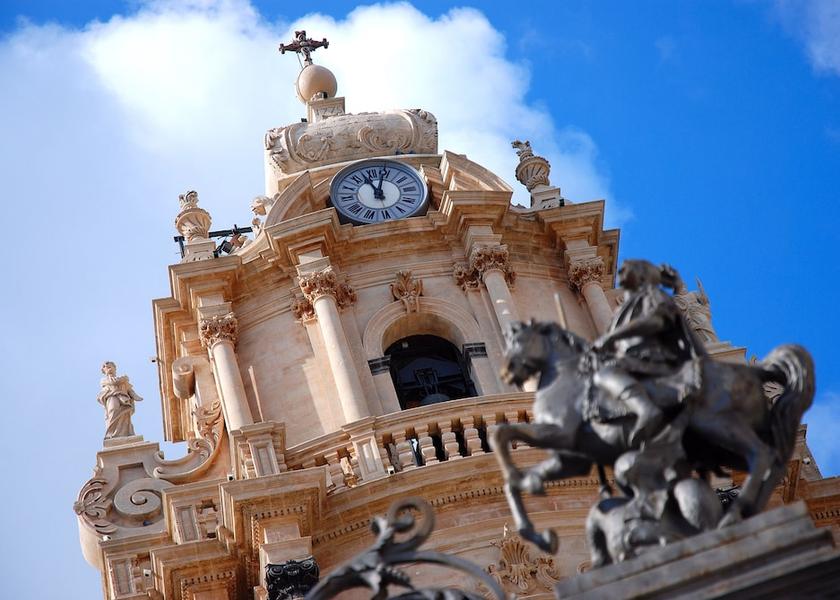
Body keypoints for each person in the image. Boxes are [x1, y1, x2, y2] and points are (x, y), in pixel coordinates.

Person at [592, 260, 705, 446]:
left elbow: (656, 321)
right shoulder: (624, 307)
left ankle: (646, 410)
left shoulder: (651, 295)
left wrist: (611, 338)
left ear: (641, 276)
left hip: (653, 357)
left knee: (607, 372)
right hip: (637, 360)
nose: (620, 272)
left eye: (626, 270)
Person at [97, 361, 143, 439]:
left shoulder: (123, 381)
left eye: (110, 367)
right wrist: (124, 379)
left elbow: (130, 390)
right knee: (113, 411)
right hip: (112, 397)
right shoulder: (104, 380)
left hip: (123, 398)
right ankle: (112, 433)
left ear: (115, 368)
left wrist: (136, 397)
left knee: (124, 414)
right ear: (104, 371)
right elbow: (113, 382)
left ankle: (125, 433)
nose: (108, 369)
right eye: (106, 368)